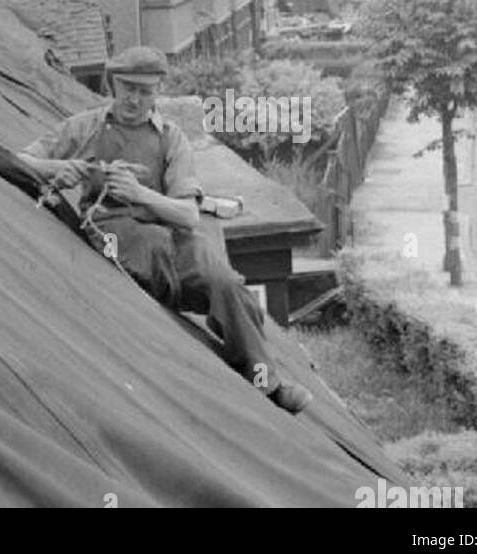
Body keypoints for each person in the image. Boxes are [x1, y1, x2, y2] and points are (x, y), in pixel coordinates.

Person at [17, 45, 312, 414]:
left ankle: (265, 380)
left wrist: (140, 194)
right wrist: (67, 167)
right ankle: (168, 349)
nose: (135, 99)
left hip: (173, 230)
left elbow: (188, 215)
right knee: (150, 248)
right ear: (112, 85)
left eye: (145, 91)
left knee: (225, 282)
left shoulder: (172, 138)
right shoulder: (85, 126)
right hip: (114, 228)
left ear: (156, 93)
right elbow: (22, 159)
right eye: (128, 88)